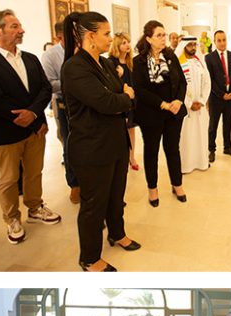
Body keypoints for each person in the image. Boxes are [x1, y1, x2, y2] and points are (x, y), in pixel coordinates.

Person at [0, 9, 61, 246]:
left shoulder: (30, 58)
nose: (21, 30)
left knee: (34, 172)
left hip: (35, 128)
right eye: (14, 26)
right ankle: (12, 219)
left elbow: (44, 88)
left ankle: (35, 207)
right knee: (9, 179)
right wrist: (22, 115)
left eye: (19, 26)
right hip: (6, 131)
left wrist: (33, 114)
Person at [61, 11, 138, 272]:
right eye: (106, 34)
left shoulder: (104, 64)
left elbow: (120, 95)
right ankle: (90, 257)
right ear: (91, 37)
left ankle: (117, 233)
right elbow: (109, 101)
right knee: (94, 204)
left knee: (116, 196)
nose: (111, 38)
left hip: (115, 142)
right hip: (91, 147)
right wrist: (123, 97)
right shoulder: (74, 67)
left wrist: (122, 97)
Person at [133, 20, 188, 207]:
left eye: (164, 34)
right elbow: (140, 90)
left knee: (173, 149)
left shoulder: (171, 56)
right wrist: (163, 104)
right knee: (151, 152)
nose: (163, 38)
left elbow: (182, 82)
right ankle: (153, 189)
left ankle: (177, 184)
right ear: (149, 39)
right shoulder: (138, 61)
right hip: (151, 114)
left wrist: (179, 101)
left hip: (174, 112)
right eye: (159, 35)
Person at [40, 21, 81, 203]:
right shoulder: (50, 56)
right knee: (69, 145)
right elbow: (49, 83)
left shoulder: (83, 51)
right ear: (59, 37)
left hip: (85, 104)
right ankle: (74, 185)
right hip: (64, 105)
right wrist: (75, 83)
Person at [205, 30, 231, 161]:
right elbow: (210, 80)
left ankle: (227, 147)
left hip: (230, 97)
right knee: (213, 125)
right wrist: (221, 95)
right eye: (219, 40)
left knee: (228, 123)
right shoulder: (209, 58)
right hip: (216, 98)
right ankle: (211, 149)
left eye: (224, 39)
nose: (222, 43)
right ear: (214, 42)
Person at [108, 32, 141, 171]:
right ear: (117, 45)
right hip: (120, 101)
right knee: (120, 132)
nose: (127, 45)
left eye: (128, 42)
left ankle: (131, 156)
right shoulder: (111, 62)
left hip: (131, 101)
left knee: (131, 130)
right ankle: (119, 158)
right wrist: (117, 76)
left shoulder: (130, 62)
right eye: (123, 43)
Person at [178, 36, 211, 174]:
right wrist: (189, 103)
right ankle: (186, 165)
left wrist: (202, 101)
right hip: (186, 108)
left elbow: (207, 82)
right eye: (189, 45)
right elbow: (178, 87)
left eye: (194, 45)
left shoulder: (200, 62)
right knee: (187, 137)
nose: (192, 47)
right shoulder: (179, 63)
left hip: (200, 108)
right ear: (184, 46)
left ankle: (201, 162)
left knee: (201, 135)